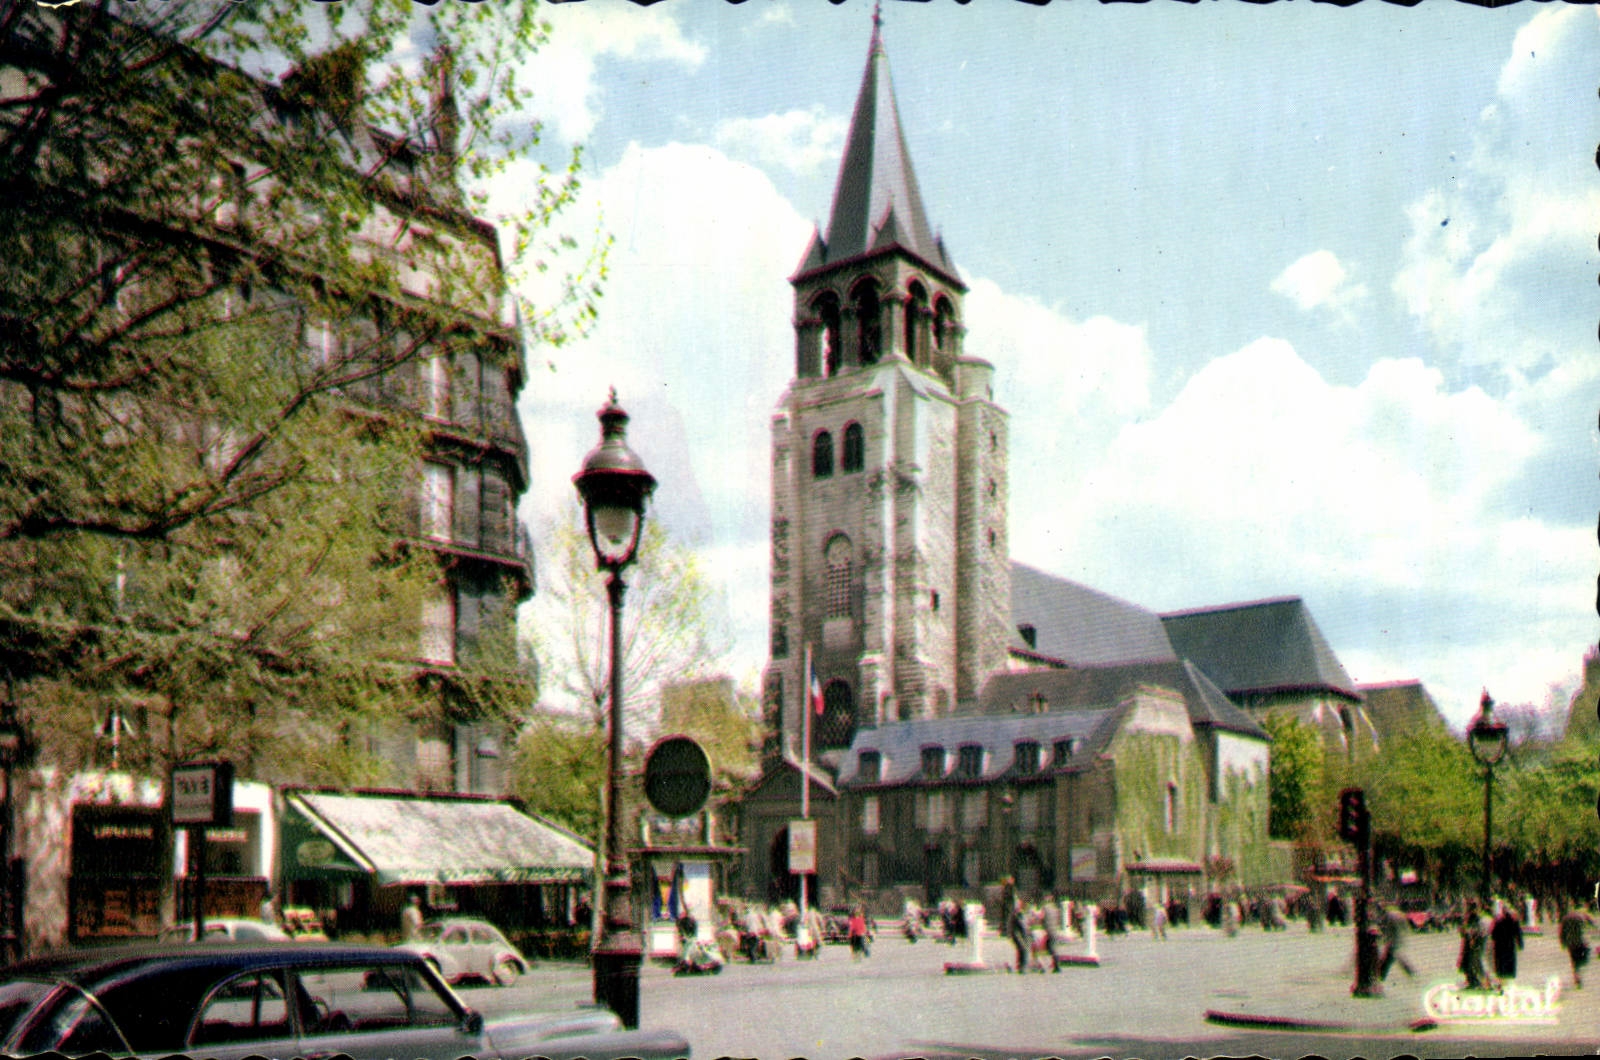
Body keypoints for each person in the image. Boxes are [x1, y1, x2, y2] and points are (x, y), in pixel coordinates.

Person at [1457, 899, 1491, 991]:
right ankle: (1473, 982)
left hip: (1475, 943)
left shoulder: (1475, 917)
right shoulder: (1469, 917)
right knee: (1469, 963)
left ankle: (1483, 983)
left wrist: (1471, 937)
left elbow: (1475, 931)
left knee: (1475, 962)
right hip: (1470, 943)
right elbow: (1465, 931)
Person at [1378, 904, 1415, 980]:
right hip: (1397, 939)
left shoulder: (1388, 917)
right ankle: (1410, 972)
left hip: (1393, 940)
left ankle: (1380, 975)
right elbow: (1404, 926)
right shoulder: (1396, 914)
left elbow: (1387, 930)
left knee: (1389, 957)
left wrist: (1384, 938)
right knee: (1393, 957)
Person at [1560, 904, 1592, 989]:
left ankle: (1577, 976)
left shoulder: (1565, 919)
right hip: (1579, 942)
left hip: (1570, 943)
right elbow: (1584, 927)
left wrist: (1562, 942)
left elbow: (1562, 932)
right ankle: (1578, 975)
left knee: (1574, 962)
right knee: (1580, 960)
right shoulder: (1579, 918)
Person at [1490, 903, 1523, 984]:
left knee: (1501, 965)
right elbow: (1518, 934)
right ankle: (1508, 980)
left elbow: (1493, 934)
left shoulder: (1498, 921)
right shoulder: (1514, 922)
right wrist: (1520, 944)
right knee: (1509, 964)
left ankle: (1501, 980)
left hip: (1500, 947)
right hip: (1510, 947)